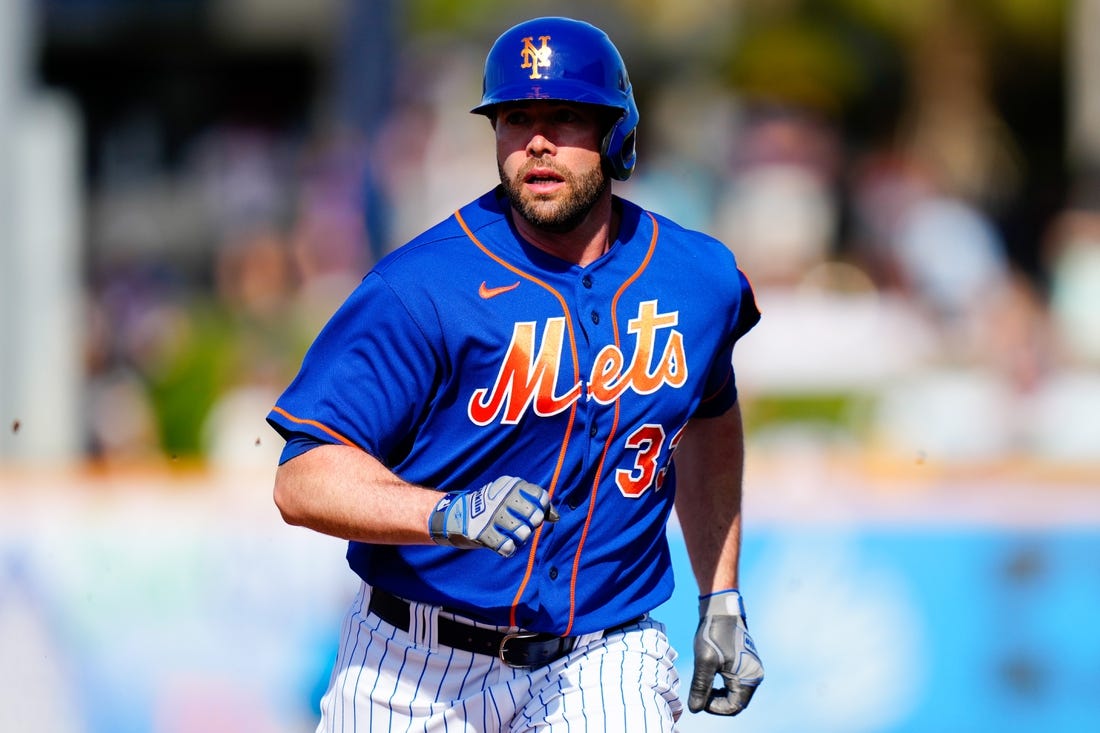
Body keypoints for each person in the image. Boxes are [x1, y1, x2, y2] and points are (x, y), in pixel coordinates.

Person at [267, 16, 764, 731]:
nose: (536, 139)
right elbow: (301, 475)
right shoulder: (423, 287)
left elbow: (710, 410)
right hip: (412, 666)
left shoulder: (699, 278)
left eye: (563, 117)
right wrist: (444, 512)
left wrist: (721, 594)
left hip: (604, 651)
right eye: (515, 118)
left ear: (616, 133)